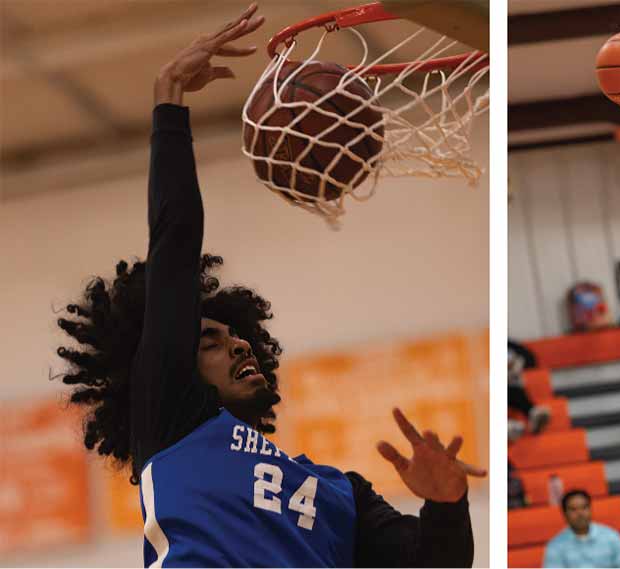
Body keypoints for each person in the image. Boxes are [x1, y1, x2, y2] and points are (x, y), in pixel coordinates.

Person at [53, 5, 484, 567]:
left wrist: (447, 504)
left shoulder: (340, 493)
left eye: (236, 336)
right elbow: (176, 244)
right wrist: (170, 100)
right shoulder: (173, 422)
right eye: (209, 341)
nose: (238, 344)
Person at [542, 490, 620, 568]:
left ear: (590, 509)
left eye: (584, 507)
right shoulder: (555, 546)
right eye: (573, 509)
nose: (580, 513)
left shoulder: (611, 536)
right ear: (564, 514)